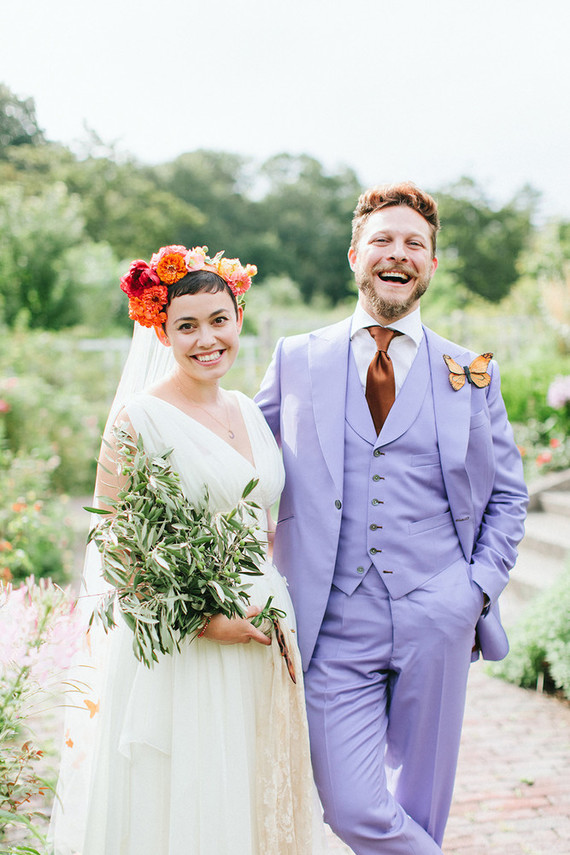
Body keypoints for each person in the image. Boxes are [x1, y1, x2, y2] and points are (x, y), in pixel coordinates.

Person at [255, 182, 528, 854]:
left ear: (431, 264)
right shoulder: (296, 357)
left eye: (414, 243)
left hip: (439, 617)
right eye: (383, 239)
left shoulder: (471, 371)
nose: (397, 253)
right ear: (355, 254)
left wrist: (473, 592)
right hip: (332, 624)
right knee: (351, 807)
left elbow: (509, 497)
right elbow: (246, 467)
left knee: (423, 809)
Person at [49, 244, 323, 855]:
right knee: (193, 802)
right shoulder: (136, 420)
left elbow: (267, 524)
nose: (207, 339)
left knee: (254, 791)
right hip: (187, 646)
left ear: (238, 319)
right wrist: (203, 621)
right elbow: (117, 544)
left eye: (218, 320)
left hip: (262, 631)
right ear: (162, 332)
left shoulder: (250, 413)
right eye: (187, 326)